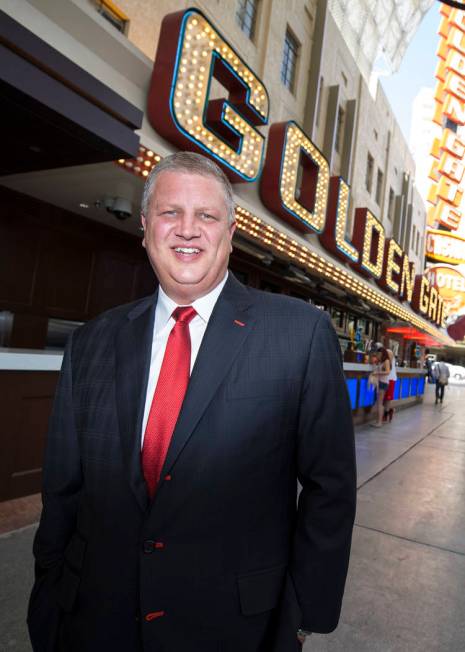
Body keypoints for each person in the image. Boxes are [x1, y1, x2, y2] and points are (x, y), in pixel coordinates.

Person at [28, 152, 356, 652]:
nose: (188, 229)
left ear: (229, 233)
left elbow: (329, 489)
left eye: (206, 216)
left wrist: (304, 611)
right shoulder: (93, 340)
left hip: (236, 628)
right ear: (145, 228)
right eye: (169, 213)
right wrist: (49, 591)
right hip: (94, 619)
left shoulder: (299, 334)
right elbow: (63, 486)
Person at [374, 343, 396, 423]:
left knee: (387, 399)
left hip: (390, 378)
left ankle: (386, 414)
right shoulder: (382, 358)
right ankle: (384, 415)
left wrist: (377, 371)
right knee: (383, 400)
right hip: (385, 379)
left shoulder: (388, 353)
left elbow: (387, 368)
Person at [370, 347, 391, 427]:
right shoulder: (381, 361)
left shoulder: (386, 361)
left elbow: (388, 372)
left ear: (383, 354)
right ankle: (378, 421)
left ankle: (379, 422)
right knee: (379, 402)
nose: (378, 355)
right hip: (380, 382)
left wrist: (377, 373)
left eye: (379, 354)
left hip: (383, 383)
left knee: (380, 403)